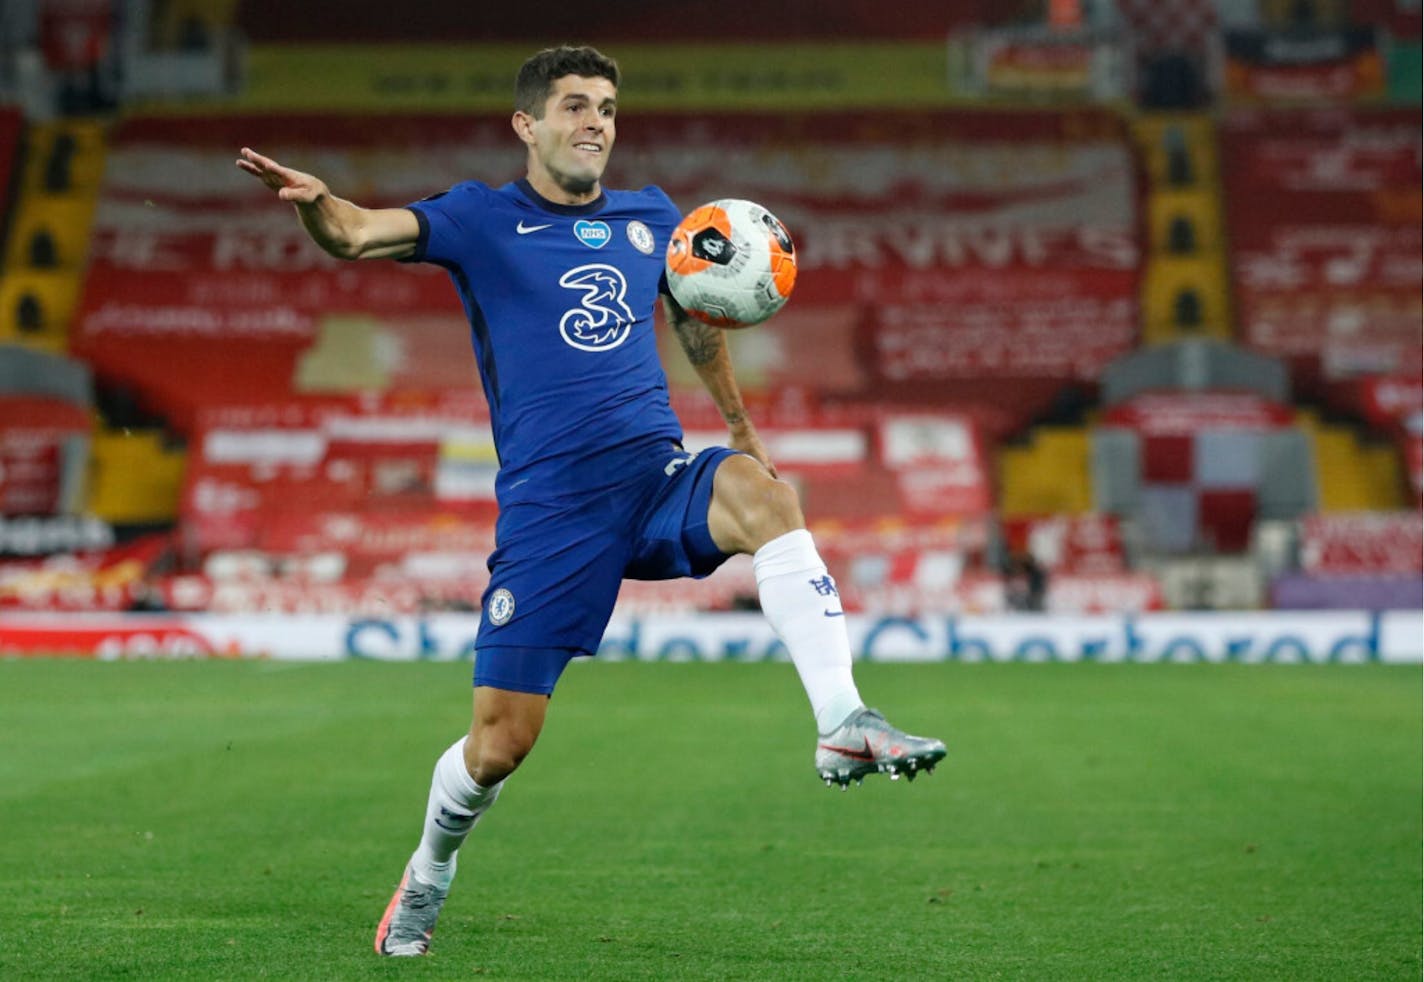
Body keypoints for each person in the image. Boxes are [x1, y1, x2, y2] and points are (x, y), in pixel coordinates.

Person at [237, 44, 945, 958]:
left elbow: (694, 316)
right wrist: (317, 204)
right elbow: (360, 234)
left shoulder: (654, 218)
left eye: (607, 106)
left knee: (770, 496)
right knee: (499, 747)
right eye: (575, 106)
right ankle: (429, 872)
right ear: (528, 125)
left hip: (653, 477)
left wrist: (740, 429)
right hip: (551, 510)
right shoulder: (479, 218)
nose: (596, 122)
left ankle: (843, 723)